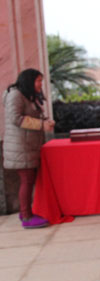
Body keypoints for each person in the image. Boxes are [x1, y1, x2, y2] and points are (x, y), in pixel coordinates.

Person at [3, 68, 55, 229]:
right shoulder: (15, 95)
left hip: (28, 146)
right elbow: (16, 118)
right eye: (38, 81)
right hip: (20, 147)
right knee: (26, 181)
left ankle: (25, 212)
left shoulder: (28, 95)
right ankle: (26, 216)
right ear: (29, 81)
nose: (40, 84)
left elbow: (32, 115)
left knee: (29, 180)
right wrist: (41, 125)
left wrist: (45, 121)